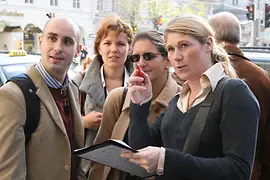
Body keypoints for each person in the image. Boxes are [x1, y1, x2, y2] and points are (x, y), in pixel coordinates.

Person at [121, 14, 260, 180]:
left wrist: (166, 161)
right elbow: (141, 150)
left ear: (208, 44)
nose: (176, 56)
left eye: (184, 45)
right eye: (171, 49)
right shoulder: (178, 101)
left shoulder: (234, 92)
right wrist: (140, 104)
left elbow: (238, 170)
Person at [0, 17, 86, 180]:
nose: (58, 48)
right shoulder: (13, 96)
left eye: (67, 41)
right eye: (52, 38)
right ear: (40, 42)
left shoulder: (73, 90)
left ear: (77, 50)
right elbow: (8, 174)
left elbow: (73, 159)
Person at [88, 30, 180, 180]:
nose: (141, 63)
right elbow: (100, 158)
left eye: (149, 56)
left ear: (167, 61)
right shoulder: (118, 98)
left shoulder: (182, 100)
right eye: (136, 57)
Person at [209, 12, 270, 180]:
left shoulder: (209, 75)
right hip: (253, 171)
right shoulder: (262, 77)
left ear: (210, 38)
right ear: (238, 35)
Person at [72, 15, 133, 176]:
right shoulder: (79, 82)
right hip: (90, 169)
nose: (114, 49)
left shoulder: (141, 84)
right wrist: (83, 122)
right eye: (107, 43)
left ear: (129, 48)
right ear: (99, 48)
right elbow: (60, 124)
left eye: (120, 43)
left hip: (128, 169)